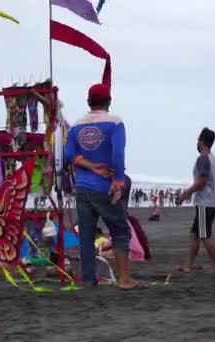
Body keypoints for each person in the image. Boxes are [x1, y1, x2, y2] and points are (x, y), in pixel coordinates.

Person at [64, 83, 143, 290]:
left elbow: (69, 155)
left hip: (82, 187)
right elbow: (118, 153)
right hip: (105, 188)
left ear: (88, 102)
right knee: (120, 231)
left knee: (87, 236)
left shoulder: (76, 126)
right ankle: (124, 278)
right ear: (109, 101)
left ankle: (89, 280)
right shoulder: (115, 123)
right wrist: (117, 181)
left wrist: (90, 166)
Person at [178, 127, 215, 273]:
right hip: (211, 202)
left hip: (205, 203)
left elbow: (202, 181)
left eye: (198, 139)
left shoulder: (203, 159)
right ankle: (188, 265)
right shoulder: (214, 159)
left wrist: (186, 193)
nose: (197, 142)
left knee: (204, 234)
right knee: (196, 234)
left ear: (202, 141)